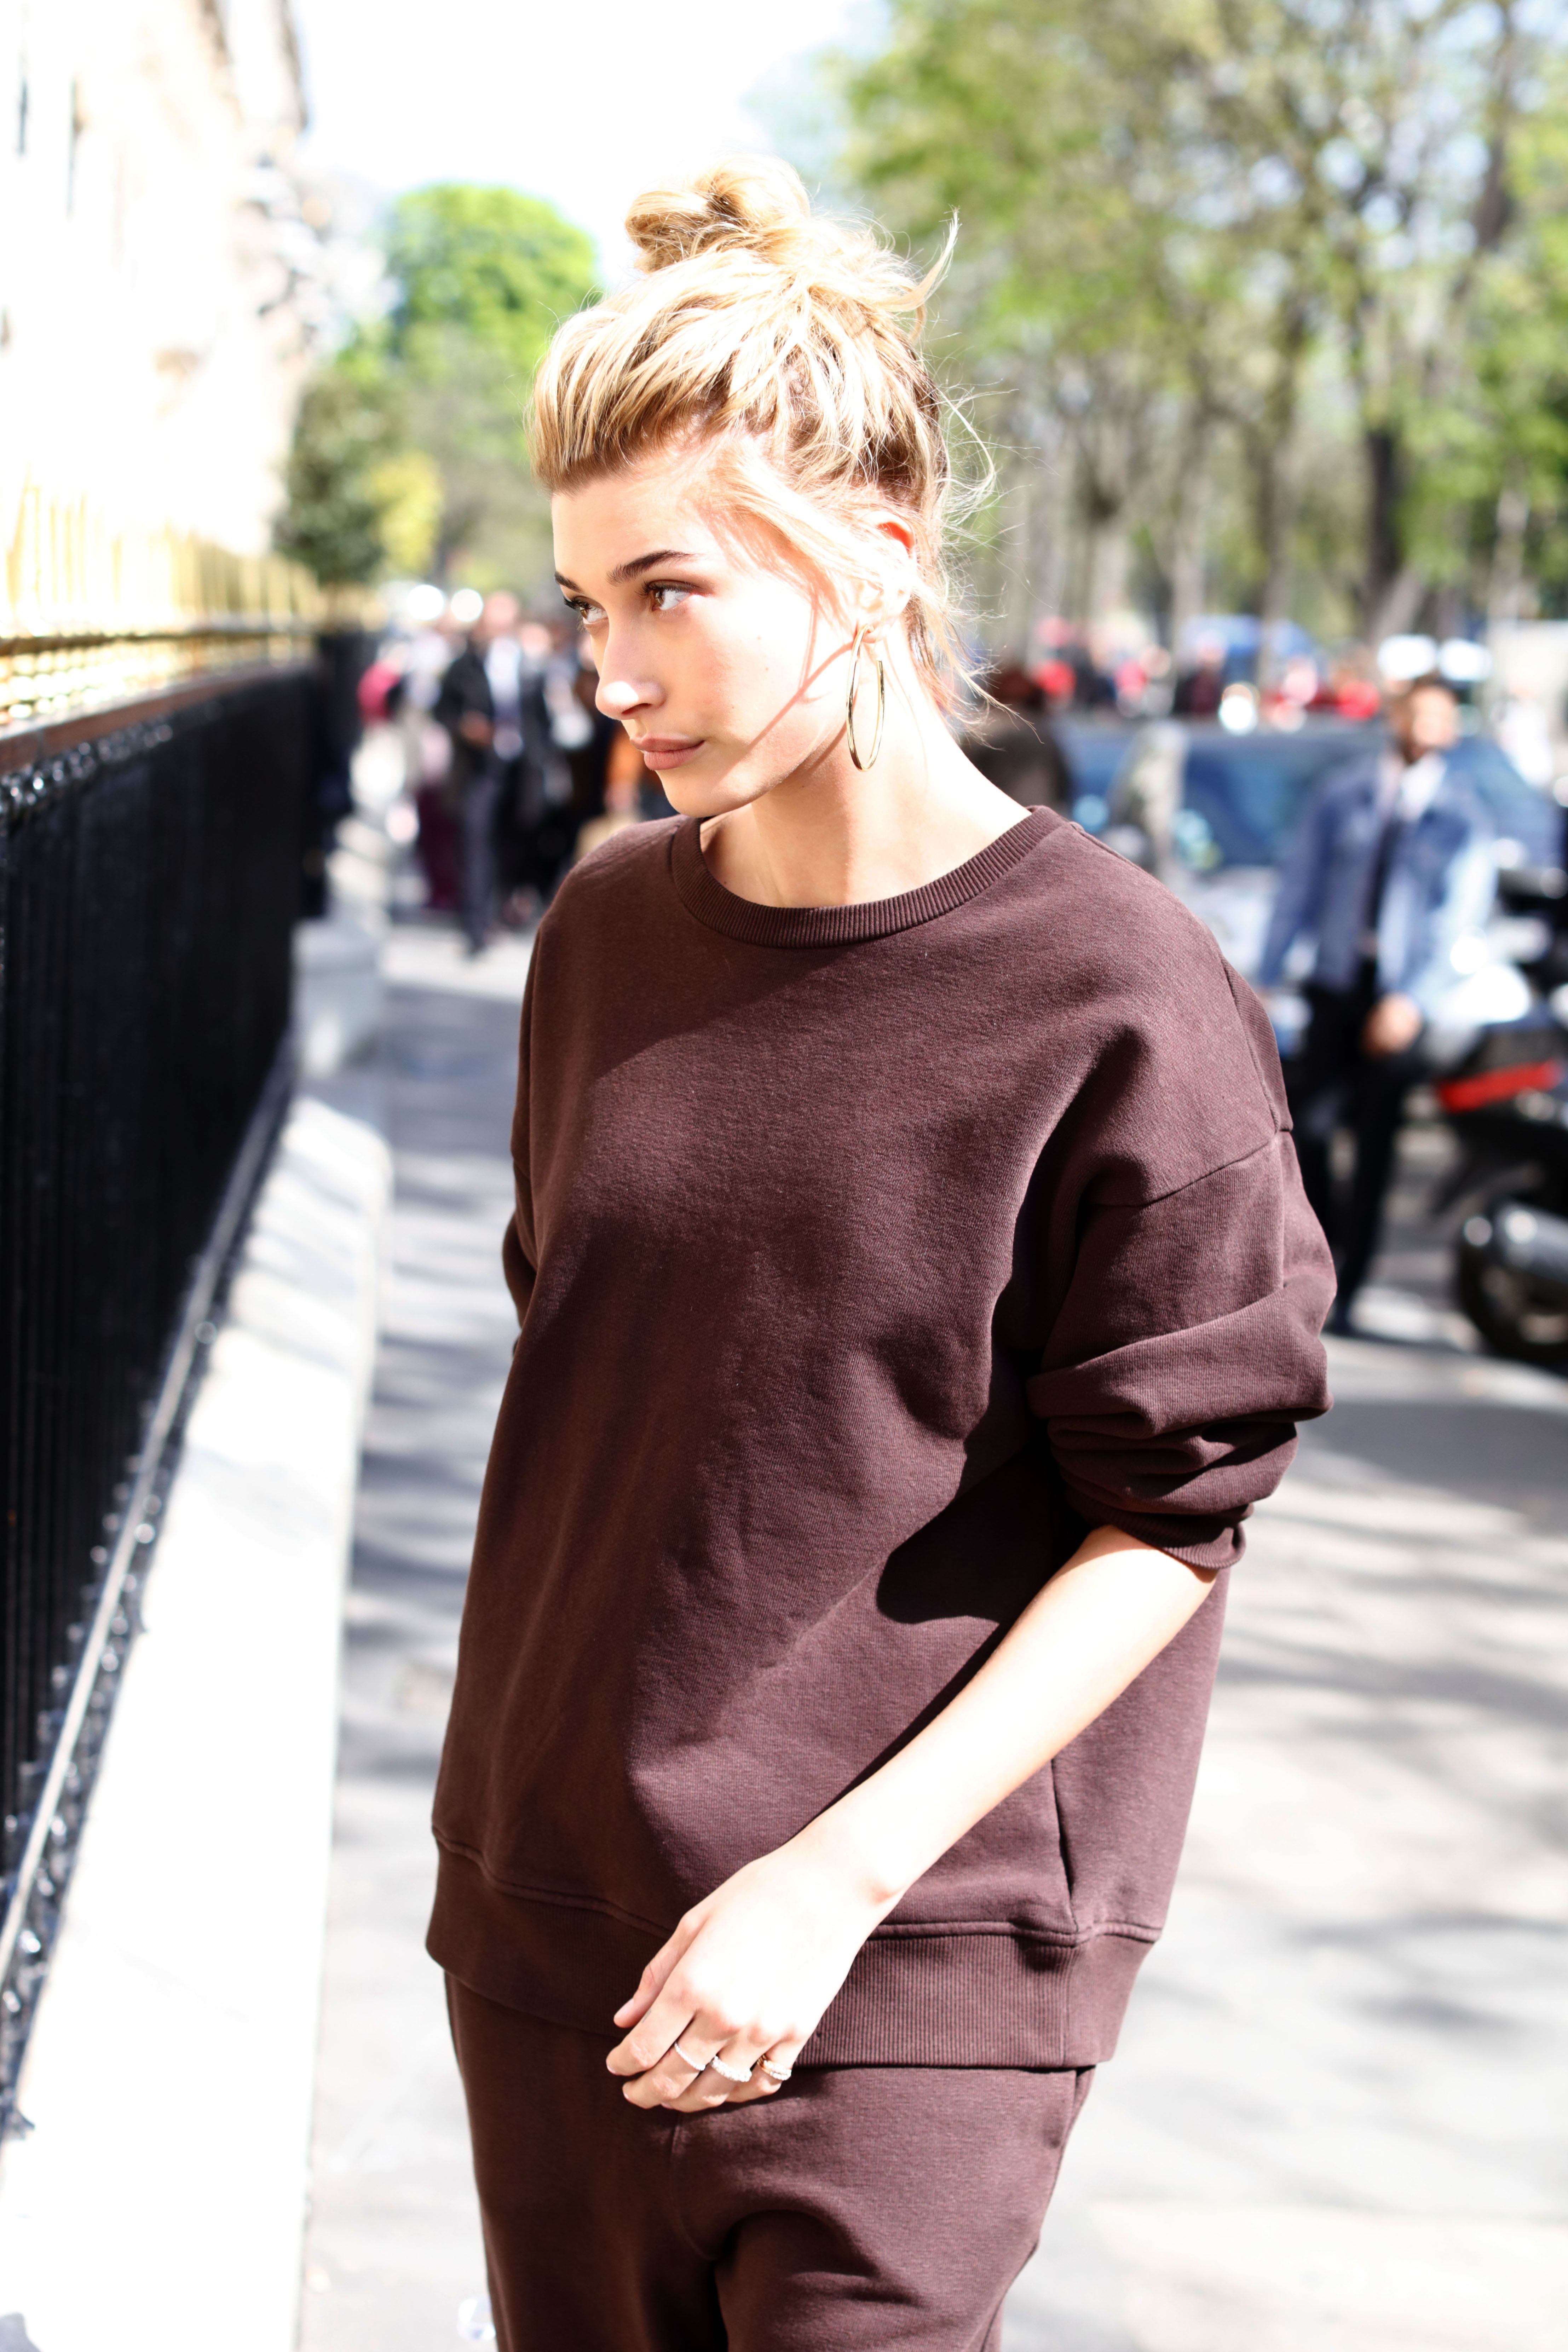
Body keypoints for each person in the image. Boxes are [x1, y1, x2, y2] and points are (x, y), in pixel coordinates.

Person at [429, 158, 1333, 2349]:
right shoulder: (602, 935)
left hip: (907, 1974)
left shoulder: (1119, 994)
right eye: (585, 604)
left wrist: (833, 1876)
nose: (612, 671)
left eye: (669, 591)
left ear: (876, 555)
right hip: (552, 1933)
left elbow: (1171, 1514)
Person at [1258, 674, 1495, 1332]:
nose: (1425, 728)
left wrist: (1412, 1001)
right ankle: (1321, 1251)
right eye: (1416, 714)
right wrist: (1270, 972)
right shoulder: (1346, 794)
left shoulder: (1461, 816)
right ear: (1396, 716)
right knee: (1310, 1127)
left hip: (1399, 1000)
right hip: (1336, 981)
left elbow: (1459, 919)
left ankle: (1351, 1285)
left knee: (1376, 1145)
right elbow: (1301, 883)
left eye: (1438, 717)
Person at [435, 591, 542, 951]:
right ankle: (475, 925)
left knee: (511, 844)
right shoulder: (465, 665)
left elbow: (540, 720)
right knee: (475, 843)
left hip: (520, 771)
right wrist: (466, 728)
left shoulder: (527, 664)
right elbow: (444, 710)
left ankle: (500, 910)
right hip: (479, 769)